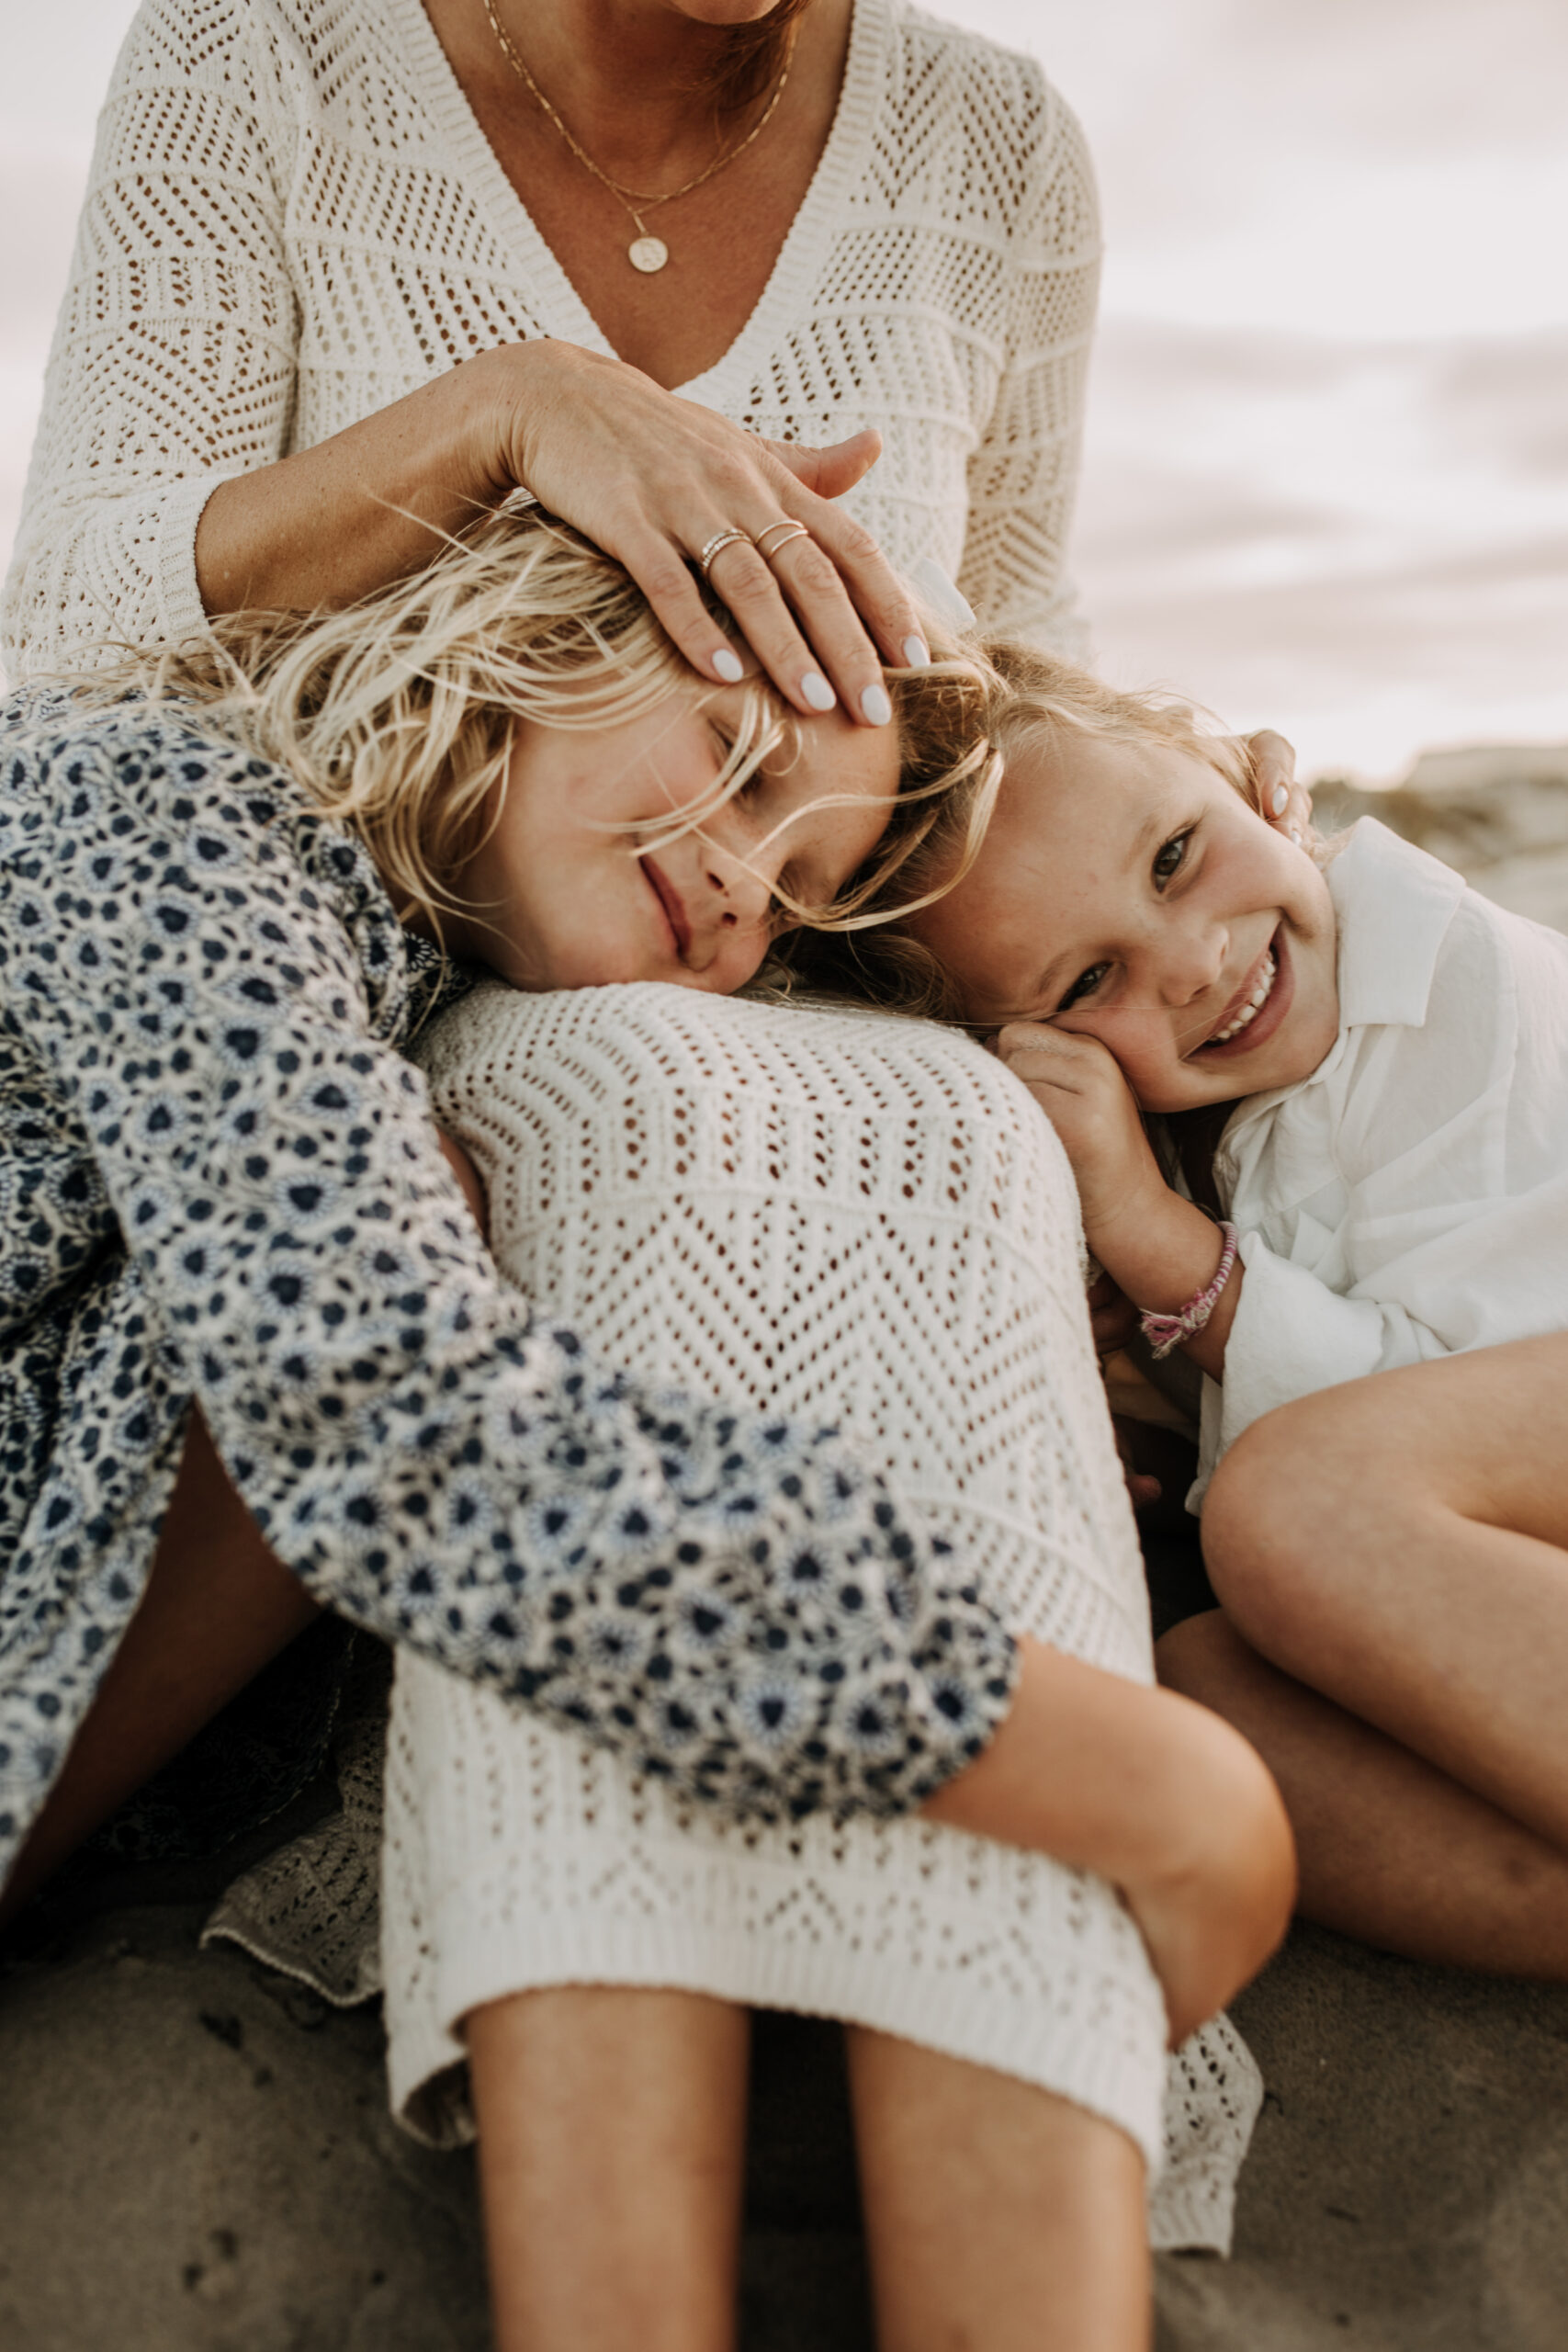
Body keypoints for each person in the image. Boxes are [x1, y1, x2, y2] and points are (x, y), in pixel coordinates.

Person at [0, 527, 1294, 2347]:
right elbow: (394, 1435)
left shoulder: (374, 961)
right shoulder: (154, 812)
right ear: (532, 637)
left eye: (803, 883)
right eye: (745, 763)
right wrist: (1107, 1761)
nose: (739, 881)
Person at [850, 639, 1568, 1981]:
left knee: (1291, 1509)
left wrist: (1174, 1256)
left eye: (1176, 854)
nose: (1188, 962)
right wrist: (1160, 1386)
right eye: (1084, 986)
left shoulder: (1449, 985)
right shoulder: (1264, 1102)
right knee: (1201, 1696)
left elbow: (1437, 1418)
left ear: (1250, 773)